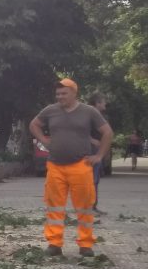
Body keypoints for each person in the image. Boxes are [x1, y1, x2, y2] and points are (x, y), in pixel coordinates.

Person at [29, 78, 112, 258]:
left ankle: (85, 244)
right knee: (54, 208)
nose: (60, 97)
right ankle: (54, 244)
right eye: (58, 94)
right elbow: (34, 125)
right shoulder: (50, 111)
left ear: (74, 93)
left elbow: (107, 132)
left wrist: (99, 156)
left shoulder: (89, 111)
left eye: (64, 93)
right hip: (55, 166)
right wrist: (44, 140)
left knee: (84, 207)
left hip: (80, 166)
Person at [88, 92, 108, 214]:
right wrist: (91, 140)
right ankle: (90, 207)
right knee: (92, 178)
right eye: (103, 101)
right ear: (97, 103)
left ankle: (92, 206)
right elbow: (80, 130)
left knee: (95, 178)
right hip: (91, 149)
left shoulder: (96, 115)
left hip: (97, 149)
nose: (105, 103)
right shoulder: (90, 115)